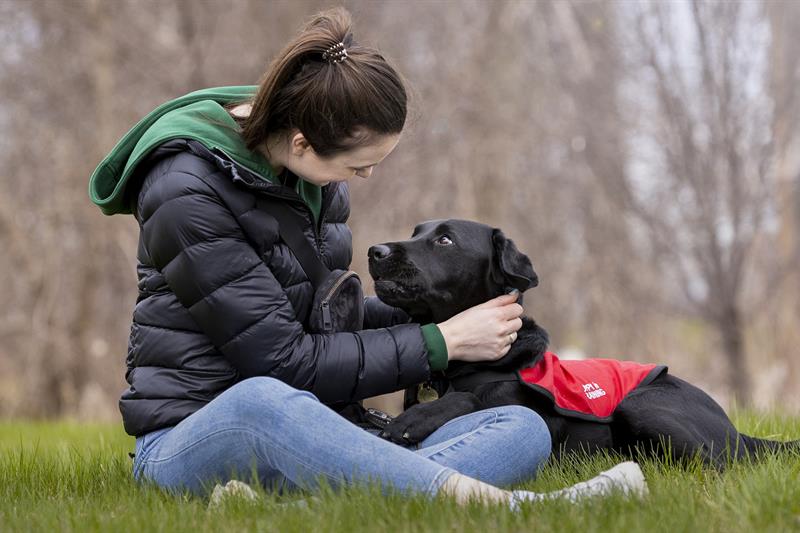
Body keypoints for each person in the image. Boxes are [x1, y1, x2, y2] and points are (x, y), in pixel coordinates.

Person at [89, 7, 646, 507]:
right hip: (197, 436)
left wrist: (452, 318)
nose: (366, 177)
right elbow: (283, 359)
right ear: (304, 142)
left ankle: (328, 502)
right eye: (359, 167)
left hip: (323, 424)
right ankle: (510, 505)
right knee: (260, 400)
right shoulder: (185, 189)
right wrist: (441, 342)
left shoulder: (310, 171)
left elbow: (330, 313)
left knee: (521, 424)